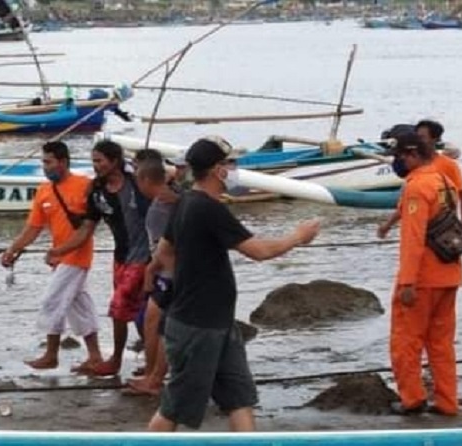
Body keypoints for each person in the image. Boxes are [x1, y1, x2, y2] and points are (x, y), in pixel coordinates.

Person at [147, 136, 321, 432]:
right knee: (175, 407)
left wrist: (187, 276)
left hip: (219, 323)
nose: (235, 168)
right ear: (218, 170)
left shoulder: (186, 200)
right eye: (231, 163)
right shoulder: (207, 208)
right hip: (197, 325)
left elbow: (163, 252)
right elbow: (259, 251)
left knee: (239, 398)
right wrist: (298, 237)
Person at [48, 140, 152, 377]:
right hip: (121, 258)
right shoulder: (97, 192)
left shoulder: (137, 183)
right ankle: (152, 359)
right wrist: (60, 250)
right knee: (137, 312)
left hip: (145, 256)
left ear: (115, 161)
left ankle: (115, 360)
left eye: (99, 161)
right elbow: (86, 229)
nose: (95, 166)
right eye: (93, 161)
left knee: (118, 309)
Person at [1, 141, 102, 373]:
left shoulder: (85, 186)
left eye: (48, 162)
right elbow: (33, 228)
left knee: (52, 301)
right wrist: (12, 249)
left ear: (63, 162)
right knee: (80, 307)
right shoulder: (43, 191)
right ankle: (95, 356)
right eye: (43, 162)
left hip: (77, 256)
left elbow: (92, 224)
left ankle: (51, 354)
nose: (45, 167)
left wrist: (58, 252)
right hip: (59, 259)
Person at [385, 132, 462, 417]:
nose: (398, 162)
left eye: (400, 157)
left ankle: (412, 398)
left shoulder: (417, 187)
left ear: (412, 154)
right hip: (450, 273)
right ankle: (447, 400)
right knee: (442, 344)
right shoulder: (445, 181)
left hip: (424, 279)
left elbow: (414, 239)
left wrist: (407, 282)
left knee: (406, 340)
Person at [126, 158, 181, 396]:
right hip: (163, 272)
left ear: (145, 180)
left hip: (169, 275)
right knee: (149, 322)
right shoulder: (164, 201)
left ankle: (155, 379)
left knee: (160, 327)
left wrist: (152, 270)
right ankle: (152, 374)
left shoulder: (164, 207)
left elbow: (166, 248)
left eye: (138, 179)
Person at [377, 120, 462, 238]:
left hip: (444, 228)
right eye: (417, 137)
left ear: (435, 139)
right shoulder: (414, 166)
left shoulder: (448, 165)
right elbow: (405, 204)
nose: (418, 141)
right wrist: (387, 226)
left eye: (422, 137)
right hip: (419, 227)